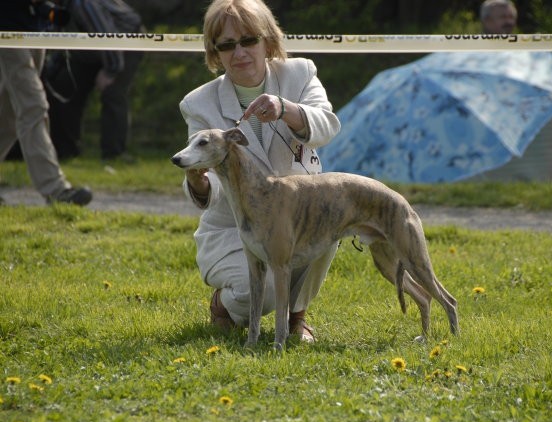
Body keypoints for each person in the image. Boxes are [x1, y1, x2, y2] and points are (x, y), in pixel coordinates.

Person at [181, 0, 341, 342]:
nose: (239, 52)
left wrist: (286, 109)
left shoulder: (299, 73)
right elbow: (210, 188)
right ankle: (224, 305)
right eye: (226, 45)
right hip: (234, 229)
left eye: (248, 40)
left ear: (268, 41)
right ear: (216, 53)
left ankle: (297, 317)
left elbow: (327, 126)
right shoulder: (198, 104)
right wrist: (199, 183)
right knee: (263, 290)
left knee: (330, 219)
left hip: (298, 213)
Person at [0, 0, 92, 206]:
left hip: (35, 30)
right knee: (33, 106)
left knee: (8, 114)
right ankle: (55, 190)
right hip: (7, 32)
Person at [44, 0, 143, 161]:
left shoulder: (84, 4)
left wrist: (110, 71)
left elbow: (108, 37)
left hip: (126, 41)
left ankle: (114, 155)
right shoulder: (57, 7)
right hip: (90, 45)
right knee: (63, 87)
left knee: (113, 94)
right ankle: (66, 152)